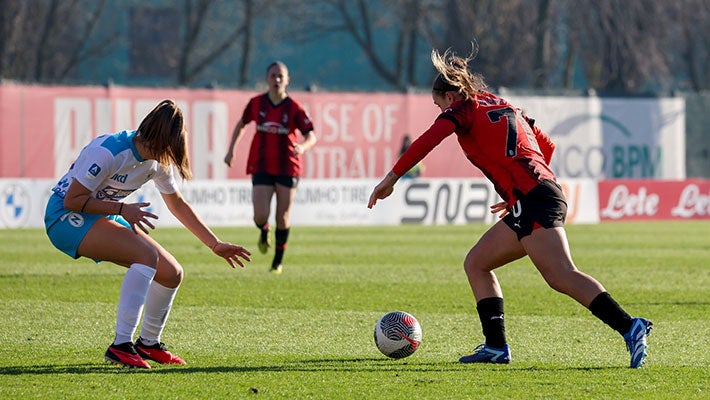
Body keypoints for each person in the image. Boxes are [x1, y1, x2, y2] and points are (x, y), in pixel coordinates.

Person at [368, 48, 653, 368]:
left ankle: (630, 326)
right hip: (536, 194)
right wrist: (517, 188)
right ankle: (495, 347)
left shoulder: (462, 109)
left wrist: (390, 179)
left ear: (450, 96)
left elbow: (427, 141)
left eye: (439, 104)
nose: (440, 110)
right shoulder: (503, 104)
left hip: (535, 198)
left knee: (561, 274)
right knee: (477, 263)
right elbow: (547, 145)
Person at [44, 100, 252, 369]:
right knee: (146, 256)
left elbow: (177, 204)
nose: (169, 155)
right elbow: (73, 200)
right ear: (158, 138)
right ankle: (121, 345)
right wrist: (121, 208)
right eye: (169, 147)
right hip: (64, 218)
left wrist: (214, 244)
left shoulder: (158, 159)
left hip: (100, 214)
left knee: (171, 273)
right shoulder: (110, 151)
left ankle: (149, 344)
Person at [224, 61, 317, 274]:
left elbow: (311, 134)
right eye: (273, 75)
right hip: (262, 164)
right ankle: (264, 229)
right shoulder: (256, 103)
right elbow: (242, 124)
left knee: (282, 217)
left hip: (288, 167)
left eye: (280, 76)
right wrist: (231, 150)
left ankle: (277, 262)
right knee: (260, 216)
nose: (276, 80)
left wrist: (302, 147)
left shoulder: (294, 107)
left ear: (287, 80)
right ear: (267, 78)